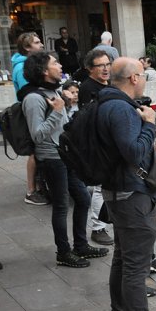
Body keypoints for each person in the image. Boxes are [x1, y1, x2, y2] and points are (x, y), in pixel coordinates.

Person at [98, 57, 156, 311]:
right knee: (135, 265)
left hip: (120, 192)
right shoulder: (120, 109)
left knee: (122, 257)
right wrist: (148, 124)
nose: (145, 79)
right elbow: (132, 152)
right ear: (133, 78)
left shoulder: (109, 103)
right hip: (130, 194)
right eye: (143, 74)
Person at [22, 51, 108, 268]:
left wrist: (67, 106)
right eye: (55, 63)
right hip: (51, 158)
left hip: (66, 155)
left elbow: (63, 125)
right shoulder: (33, 98)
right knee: (61, 206)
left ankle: (81, 245)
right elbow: (38, 135)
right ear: (43, 71)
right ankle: (63, 252)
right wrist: (57, 111)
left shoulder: (55, 91)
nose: (60, 66)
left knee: (83, 199)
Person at [78, 49, 115, 246]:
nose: (105, 68)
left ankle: (106, 221)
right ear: (90, 69)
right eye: (100, 65)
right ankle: (98, 227)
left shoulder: (107, 85)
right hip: (98, 145)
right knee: (101, 188)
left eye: (108, 64)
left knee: (104, 188)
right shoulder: (88, 88)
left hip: (109, 143)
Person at [13, 32, 49, 206]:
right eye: (36, 42)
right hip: (30, 113)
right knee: (34, 151)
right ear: (27, 47)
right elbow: (27, 93)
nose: (41, 44)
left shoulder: (29, 64)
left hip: (35, 111)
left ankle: (40, 186)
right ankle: (31, 191)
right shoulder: (22, 68)